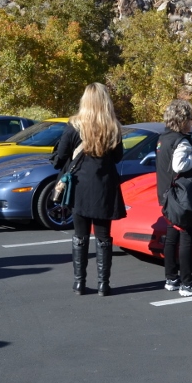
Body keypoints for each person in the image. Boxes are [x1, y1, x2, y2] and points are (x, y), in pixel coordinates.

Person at [51, 83, 126, 296]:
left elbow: (60, 159)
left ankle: (79, 283)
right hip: (104, 187)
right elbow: (118, 157)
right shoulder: (113, 127)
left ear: (85, 101)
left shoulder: (74, 126)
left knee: (80, 235)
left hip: (79, 187)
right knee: (103, 237)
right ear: (105, 101)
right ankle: (104, 284)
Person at [155, 100, 192, 297]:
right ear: (183, 120)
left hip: (166, 195)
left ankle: (171, 279)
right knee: (186, 236)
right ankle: (187, 284)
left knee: (171, 236)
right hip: (181, 197)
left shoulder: (163, 139)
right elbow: (179, 166)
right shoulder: (182, 141)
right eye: (190, 119)